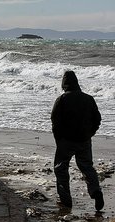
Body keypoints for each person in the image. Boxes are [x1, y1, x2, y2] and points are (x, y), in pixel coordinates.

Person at [51, 70, 104, 211]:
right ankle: (96, 192)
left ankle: (66, 200)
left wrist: (59, 140)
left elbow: (55, 122)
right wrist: (90, 134)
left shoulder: (61, 100)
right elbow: (97, 119)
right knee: (87, 167)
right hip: (84, 140)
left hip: (66, 141)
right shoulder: (89, 99)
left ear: (64, 84)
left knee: (61, 169)